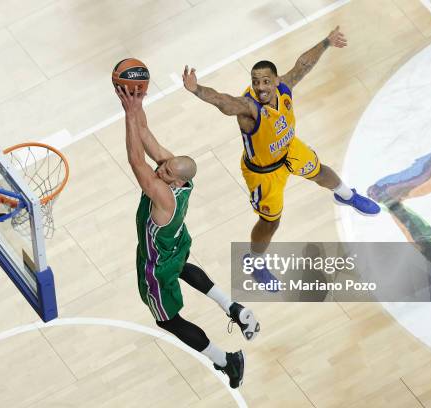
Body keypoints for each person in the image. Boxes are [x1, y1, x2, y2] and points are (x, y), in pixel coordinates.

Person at [182, 26, 380, 287]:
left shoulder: (284, 89)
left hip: (289, 150)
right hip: (264, 172)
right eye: (255, 82)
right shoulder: (249, 107)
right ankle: (253, 260)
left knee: (321, 171)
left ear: (275, 81)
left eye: (265, 81)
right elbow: (224, 101)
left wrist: (327, 42)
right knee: (270, 222)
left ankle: (346, 196)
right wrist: (197, 90)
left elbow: (302, 65)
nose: (260, 87)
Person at [115, 84, 260, 389]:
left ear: (176, 181)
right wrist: (135, 104)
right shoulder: (180, 176)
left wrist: (129, 115)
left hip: (157, 263)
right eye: (164, 166)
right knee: (182, 267)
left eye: (166, 173)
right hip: (177, 243)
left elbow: (136, 162)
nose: (160, 171)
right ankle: (234, 307)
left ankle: (225, 360)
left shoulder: (164, 197)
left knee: (167, 320)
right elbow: (146, 137)